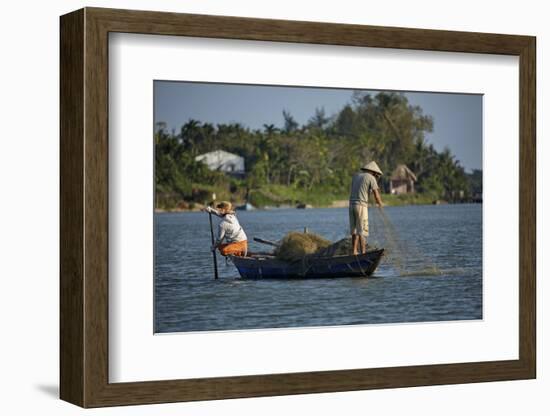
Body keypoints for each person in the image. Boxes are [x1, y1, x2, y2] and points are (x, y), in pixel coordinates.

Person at [349, 161, 384, 255]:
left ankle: (354, 251)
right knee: (363, 231)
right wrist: (380, 205)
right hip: (361, 205)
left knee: (355, 230)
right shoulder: (371, 178)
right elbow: (376, 195)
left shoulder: (356, 176)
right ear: (373, 172)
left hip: (351, 205)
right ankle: (363, 253)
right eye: (376, 175)